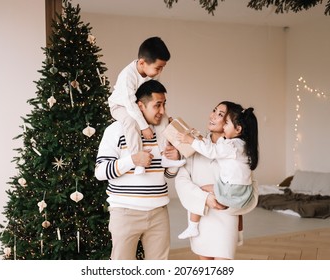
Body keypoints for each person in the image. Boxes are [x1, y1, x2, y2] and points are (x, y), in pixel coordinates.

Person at [95, 80, 181, 260]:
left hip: (159, 212)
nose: (162, 111)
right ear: (140, 106)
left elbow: (167, 174)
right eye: (157, 105)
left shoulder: (164, 131)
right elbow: (100, 172)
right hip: (125, 213)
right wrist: (132, 160)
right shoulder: (115, 130)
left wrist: (174, 160)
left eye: (164, 104)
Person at [175, 101, 259, 260]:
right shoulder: (200, 146)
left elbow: (248, 185)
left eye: (222, 116)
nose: (213, 116)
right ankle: (193, 226)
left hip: (226, 215)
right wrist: (205, 199)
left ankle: (194, 225)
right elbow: (182, 178)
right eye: (214, 110)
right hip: (202, 216)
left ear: (237, 127)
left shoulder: (230, 147)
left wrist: (226, 200)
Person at [108, 36, 185, 175]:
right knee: (130, 122)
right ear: (142, 62)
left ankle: (164, 155)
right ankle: (138, 159)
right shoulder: (128, 76)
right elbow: (130, 105)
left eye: (162, 68)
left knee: (163, 118)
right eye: (158, 68)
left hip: (138, 104)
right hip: (121, 106)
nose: (160, 72)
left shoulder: (152, 73)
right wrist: (144, 127)